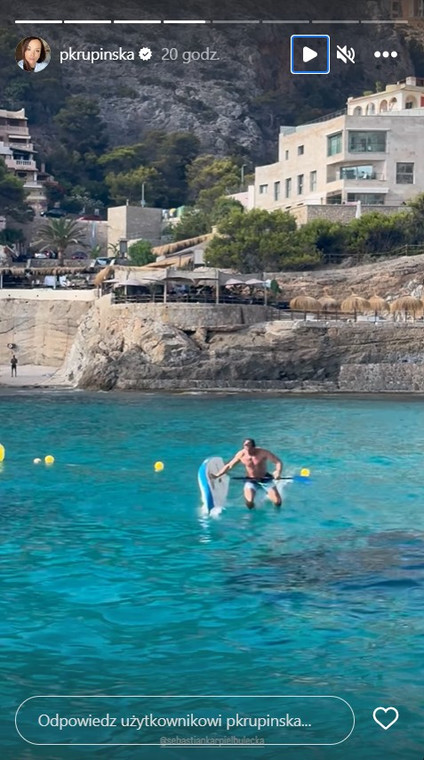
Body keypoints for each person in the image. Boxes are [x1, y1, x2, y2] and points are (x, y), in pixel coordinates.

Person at [212, 438, 283, 509]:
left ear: (254, 447)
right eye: (245, 447)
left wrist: (278, 472)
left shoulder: (263, 452)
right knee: (249, 503)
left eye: (249, 448)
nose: (247, 451)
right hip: (250, 480)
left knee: (278, 502)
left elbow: (278, 462)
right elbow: (229, 466)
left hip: (265, 479)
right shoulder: (241, 454)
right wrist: (217, 475)